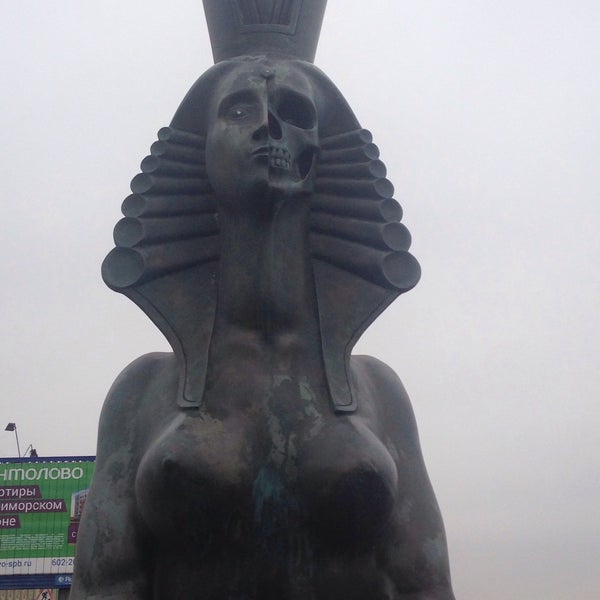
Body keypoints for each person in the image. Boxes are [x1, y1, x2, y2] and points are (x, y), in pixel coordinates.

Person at [71, 53, 454, 599]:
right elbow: (105, 586)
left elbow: (423, 585)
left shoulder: (380, 392)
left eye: (294, 112)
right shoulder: (141, 392)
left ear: (324, 151)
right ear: (200, 150)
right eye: (238, 110)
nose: (268, 125)